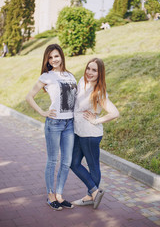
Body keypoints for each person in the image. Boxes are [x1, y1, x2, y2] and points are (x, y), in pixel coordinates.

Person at [26, 44, 77, 210]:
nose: (54, 60)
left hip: (70, 123)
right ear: (47, 60)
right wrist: (42, 112)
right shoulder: (46, 76)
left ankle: (60, 195)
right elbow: (29, 97)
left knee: (66, 160)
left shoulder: (71, 76)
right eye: (50, 57)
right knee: (53, 160)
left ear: (61, 56)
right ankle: (50, 195)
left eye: (56, 56)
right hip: (54, 123)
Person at [70, 58, 119, 209]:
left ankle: (90, 196)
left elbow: (114, 113)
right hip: (78, 131)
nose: (90, 72)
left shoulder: (99, 91)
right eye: (88, 68)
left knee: (93, 166)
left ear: (100, 73)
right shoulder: (81, 81)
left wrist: (96, 120)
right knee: (73, 163)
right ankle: (94, 192)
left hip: (91, 134)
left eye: (94, 70)